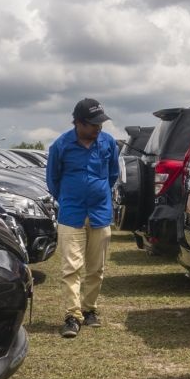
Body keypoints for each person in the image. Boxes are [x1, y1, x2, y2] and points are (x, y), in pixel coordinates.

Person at [46, 98, 120, 338]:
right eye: (93, 124)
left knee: (96, 268)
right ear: (78, 122)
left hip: (100, 213)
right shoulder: (61, 145)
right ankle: (72, 316)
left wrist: (98, 194)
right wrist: (70, 197)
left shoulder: (108, 143)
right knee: (71, 268)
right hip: (71, 214)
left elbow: (112, 175)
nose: (99, 127)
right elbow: (53, 180)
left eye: (100, 123)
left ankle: (90, 310)